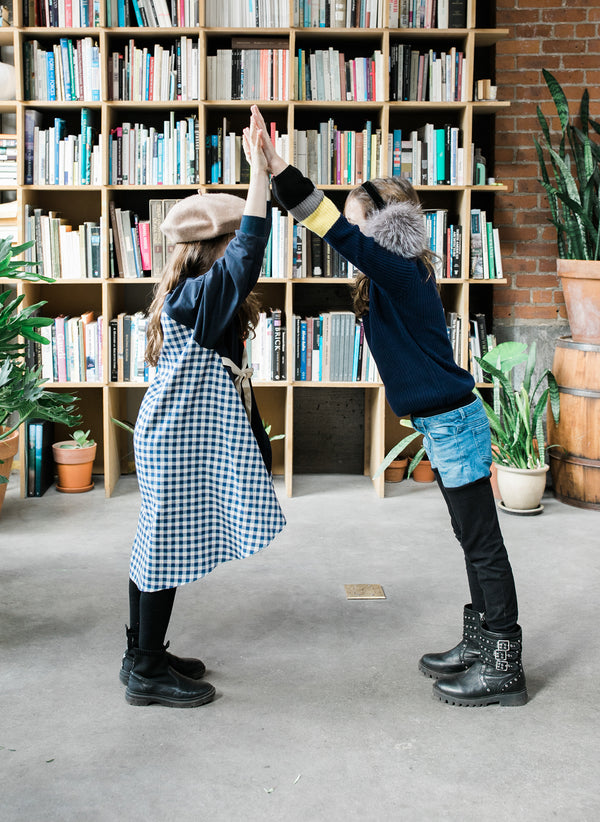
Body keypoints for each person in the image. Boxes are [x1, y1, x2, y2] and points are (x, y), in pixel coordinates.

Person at [250, 104, 527, 708]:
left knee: (482, 542)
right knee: (470, 536)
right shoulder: (393, 277)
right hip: (445, 422)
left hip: (455, 422)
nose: (350, 234)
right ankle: (480, 640)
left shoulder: (397, 271)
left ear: (381, 224)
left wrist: (279, 170)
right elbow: (339, 229)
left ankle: (504, 662)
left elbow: (332, 227)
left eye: (358, 221)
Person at [122, 119, 286, 708]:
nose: (236, 257)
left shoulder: (186, 294)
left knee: (152, 542)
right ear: (212, 250)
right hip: (174, 439)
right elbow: (250, 251)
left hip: (169, 436)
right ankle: (145, 671)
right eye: (229, 245)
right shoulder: (201, 297)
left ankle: (143, 648)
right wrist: (259, 176)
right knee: (162, 546)